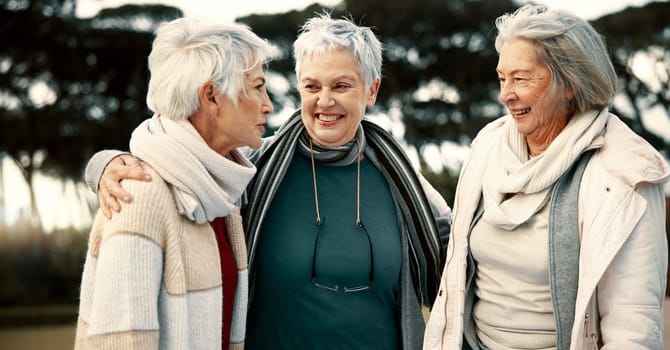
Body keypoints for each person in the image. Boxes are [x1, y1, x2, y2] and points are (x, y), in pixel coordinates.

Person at [83, 14, 450, 350]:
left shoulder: (401, 177)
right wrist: (102, 165)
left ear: (371, 91)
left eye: (341, 86)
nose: (324, 101)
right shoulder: (252, 165)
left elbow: (458, 246)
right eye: (311, 86)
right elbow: (178, 159)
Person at [424, 4, 670, 350]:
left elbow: (633, 325)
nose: (505, 94)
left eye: (521, 78)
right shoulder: (488, 147)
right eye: (502, 78)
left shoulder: (623, 172)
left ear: (569, 83)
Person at [74, 17, 276, 350]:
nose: (268, 104)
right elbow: (123, 341)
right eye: (257, 86)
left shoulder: (222, 185)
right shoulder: (140, 194)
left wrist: (99, 163)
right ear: (211, 96)